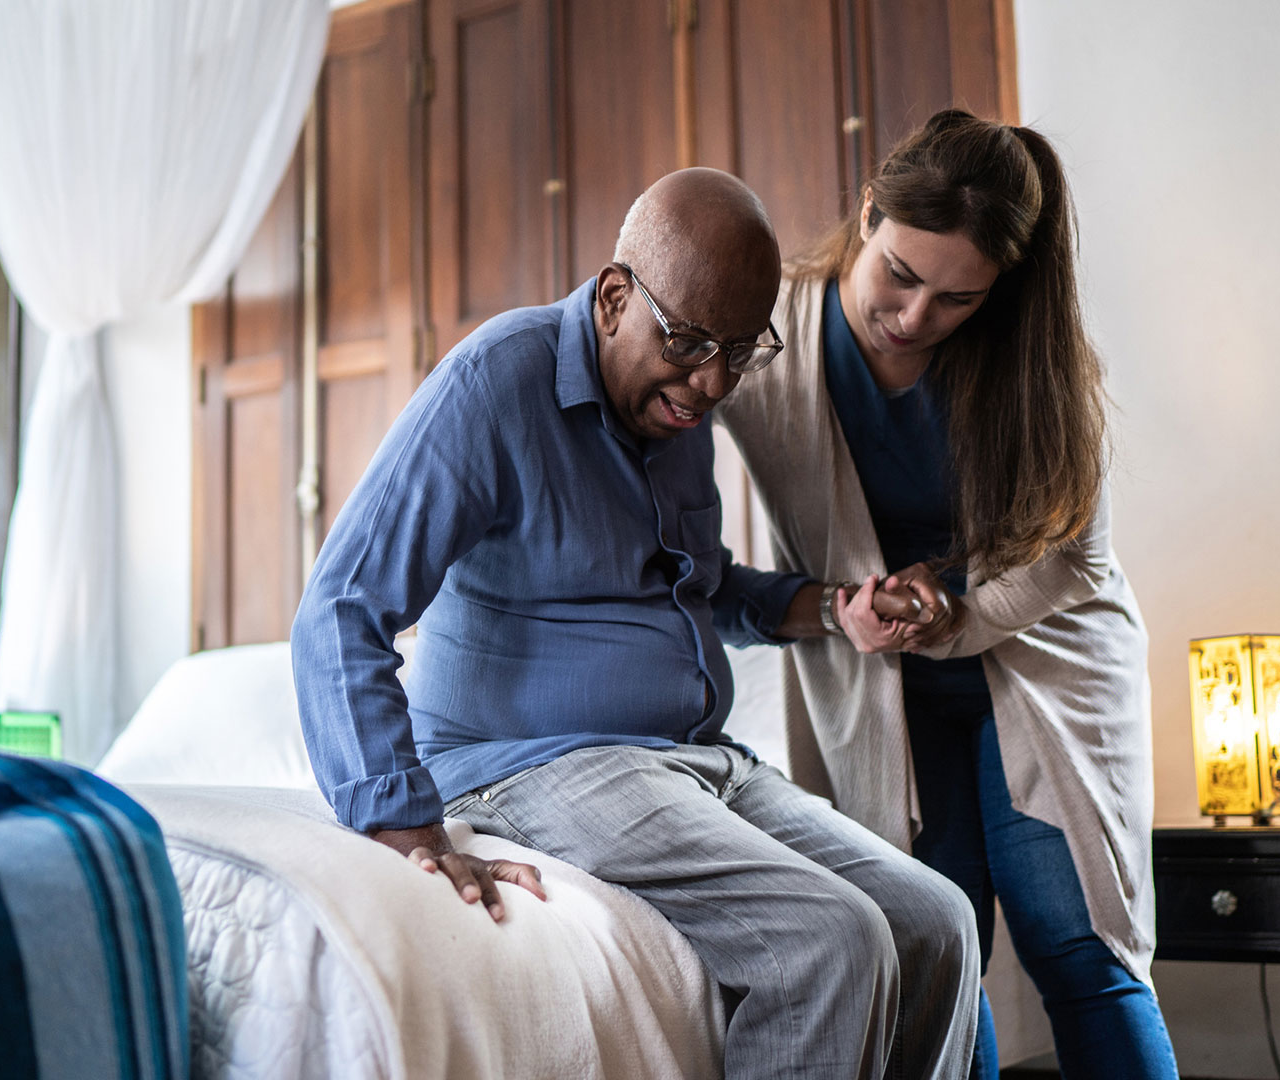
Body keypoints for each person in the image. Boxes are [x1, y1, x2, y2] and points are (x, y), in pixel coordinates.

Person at [292, 167, 981, 1080]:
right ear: (616, 296)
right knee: (830, 940)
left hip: (696, 761)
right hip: (533, 762)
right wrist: (403, 827)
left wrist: (828, 607)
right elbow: (341, 607)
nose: (711, 383)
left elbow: (701, 587)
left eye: (741, 352)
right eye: (691, 343)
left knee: (938, 920)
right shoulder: (495, 386)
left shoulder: (676, 402)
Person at [716, 109, 1181, 1078]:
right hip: (884, 683)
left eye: (957, 299)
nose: (916, 317)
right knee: (935, 946)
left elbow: (1074, 562)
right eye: (901, 274)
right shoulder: (770, 340)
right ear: (868, 212)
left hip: (1044, 660)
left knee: (1075, 941)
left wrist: (956, 613)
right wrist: (830, 604)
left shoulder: (1033, 358)